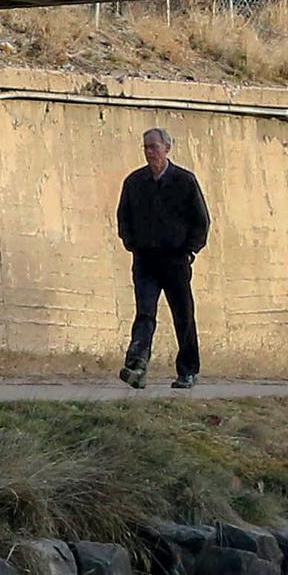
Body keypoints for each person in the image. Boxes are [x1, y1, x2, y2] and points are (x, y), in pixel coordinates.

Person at [116, 126, 209, 390]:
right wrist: (132, 244)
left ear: (167, 148)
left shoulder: (184, 181)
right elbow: (124, 218)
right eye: (146, 147)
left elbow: (200, 220)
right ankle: (136, 366)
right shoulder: (134, 183)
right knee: (144, 313)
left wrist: (190, 250)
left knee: (183, 315)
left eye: (154, 147)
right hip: (145, 260)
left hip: (175, 260)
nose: (149, 152)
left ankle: (188, 371)